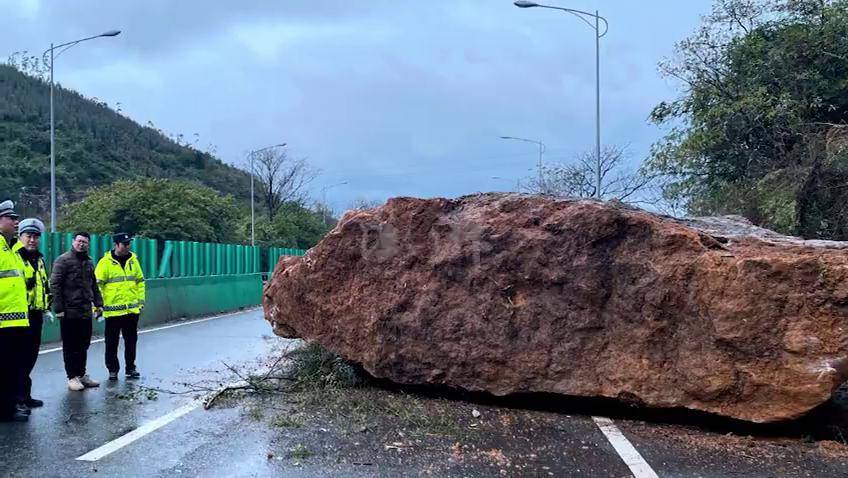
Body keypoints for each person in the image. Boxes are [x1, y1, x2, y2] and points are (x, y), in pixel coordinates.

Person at [50, 232, 103, 391]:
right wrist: (58, 308)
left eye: (85, 242)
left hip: (85, 311)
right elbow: (55, 285)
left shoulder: (89, 262)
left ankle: (81, 374)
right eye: (79, 241)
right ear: (73, 242)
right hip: (69, 311)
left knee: (84, 344)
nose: (82, 244)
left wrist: (99, 304)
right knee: (70, 345)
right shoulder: (63, 260)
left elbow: (93, 285)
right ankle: (72, 377)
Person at [95, 233, 145, 381]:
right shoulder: (105, 263)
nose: (128, 246)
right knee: (111, 342)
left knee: (131, 341)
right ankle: (112, 370)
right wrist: (98, 307)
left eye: (129, 243)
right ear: (116, 245)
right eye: (124, 244)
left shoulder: (133, 261)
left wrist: (140, 302)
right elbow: (97, 286)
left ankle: (130, 367)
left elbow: (140, 281)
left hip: (131, 310)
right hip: (112, 312)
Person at [12, 218, 49, 410]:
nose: (32, 240)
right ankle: (16, 398)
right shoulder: (14, 256)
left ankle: (25, 395)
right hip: (19, 315)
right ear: (20, 237)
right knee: (18, 358)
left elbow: (43, 286)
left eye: (36, 237)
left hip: (35, 315)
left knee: (31, 356)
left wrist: (47, 308)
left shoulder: (40, 259)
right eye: (29, 236)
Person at [0, 200, 29, 422]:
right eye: (12, 218)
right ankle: (6, 410)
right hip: (3, 322)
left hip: (16, 320)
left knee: (12, 367)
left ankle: (10, 405)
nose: (16, 221)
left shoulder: (12, 249)